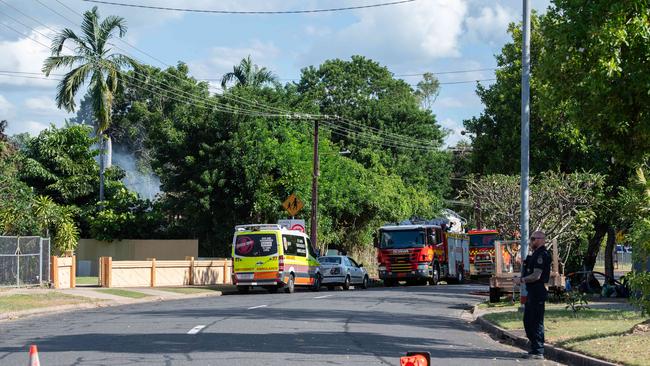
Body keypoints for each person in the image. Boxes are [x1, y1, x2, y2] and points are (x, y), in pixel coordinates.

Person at [519, 231, 551, 360]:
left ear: (541, 239)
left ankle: (538, 350)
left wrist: (522, 280)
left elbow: (536, 275)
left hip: (538, 291)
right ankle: (534, 348)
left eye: (533, 239)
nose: (531, 241)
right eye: (531, 239)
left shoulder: (542, 254)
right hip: (532, 292)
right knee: (528, 321)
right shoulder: (535, 254)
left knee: (536, 321)